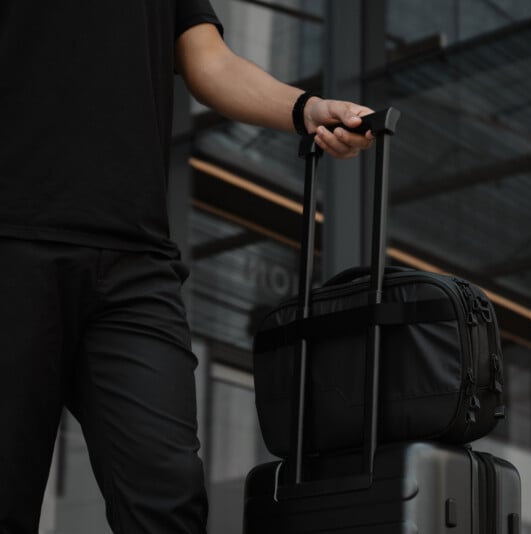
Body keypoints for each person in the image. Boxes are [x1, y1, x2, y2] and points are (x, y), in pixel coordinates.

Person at [0, 1, 373, 532]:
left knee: (168, 500)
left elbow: (209, 62)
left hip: (136, 266)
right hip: (12, 241)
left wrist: (306, 108)